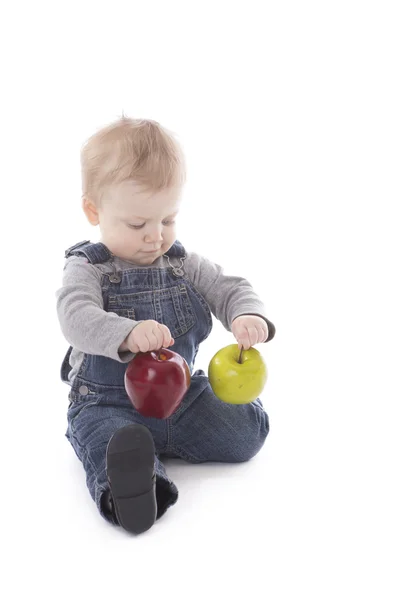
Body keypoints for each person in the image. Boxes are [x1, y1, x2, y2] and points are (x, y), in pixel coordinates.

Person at [56, 116, 276, 535]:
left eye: (168, 220)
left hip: (179, 397)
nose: (155, 236)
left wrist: (246, 314)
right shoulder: (89, 269)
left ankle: (158, 443)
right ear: (93, 210)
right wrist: (125, 332)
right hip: (107, 402)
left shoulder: (181, 263)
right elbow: (75, 315)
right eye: (138, 224)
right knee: (106, 440)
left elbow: (230, 287)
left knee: (244, 432)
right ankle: (139, 485)